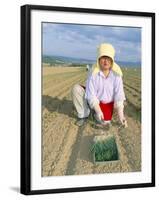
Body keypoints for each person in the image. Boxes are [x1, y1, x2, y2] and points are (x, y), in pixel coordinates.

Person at [71, 43, 128, 127]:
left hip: (107, 103)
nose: (106, 61)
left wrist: (121, 116)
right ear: (99, 59)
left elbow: (119, 95)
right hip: (95, 100)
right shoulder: (93, 72)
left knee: (105, 122)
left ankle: (94, 112)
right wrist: (98, 110)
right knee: (76, 89)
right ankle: (84, 115)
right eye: (103, 58)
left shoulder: (117, 74)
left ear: (112, 60)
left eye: (108, 58)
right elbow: (91, 95)